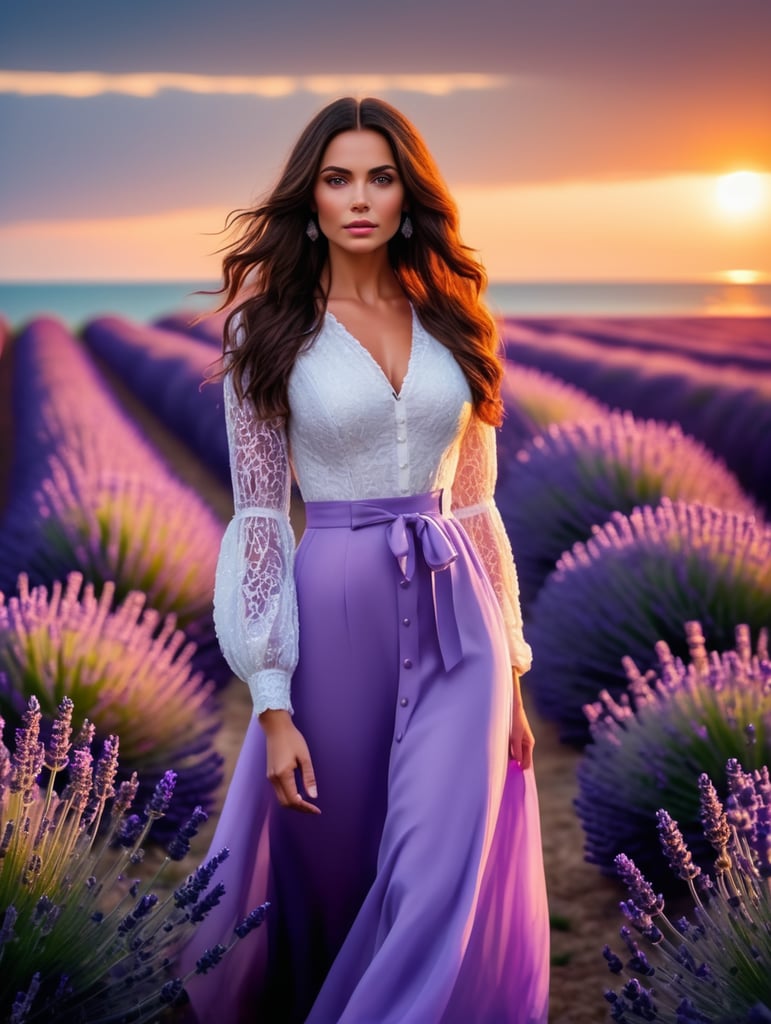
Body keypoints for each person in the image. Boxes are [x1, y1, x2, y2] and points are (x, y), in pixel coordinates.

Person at [184, 96, 549, 1024]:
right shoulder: (262, 332)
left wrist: (512, 668)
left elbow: (475, 503)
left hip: (459, 618)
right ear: (310, 197)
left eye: (379, 178)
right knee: (336, 865)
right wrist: (271, 704)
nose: (359, 198)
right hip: (332, 612)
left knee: (438, 866)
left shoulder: (460, 319)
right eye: (337, 178)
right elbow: (261, 518)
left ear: (406, 194)